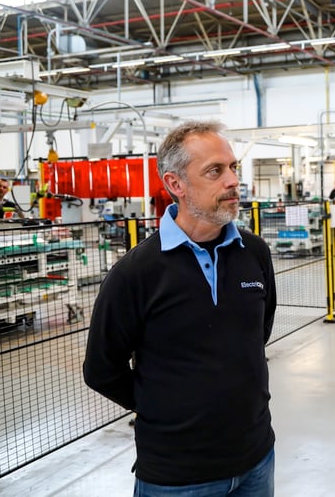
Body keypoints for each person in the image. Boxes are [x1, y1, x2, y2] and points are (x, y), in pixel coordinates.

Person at [83, 120, 277, 496]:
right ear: (176, 185)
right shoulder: (136, 273)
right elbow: (101, 369)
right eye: (215, 171)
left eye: (233, 167)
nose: (233, 180)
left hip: (256, 458)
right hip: (178, 476)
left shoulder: (254, 253)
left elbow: (257, 335)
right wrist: (166, 408)